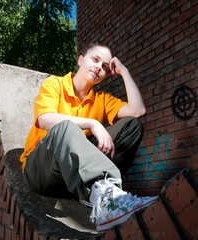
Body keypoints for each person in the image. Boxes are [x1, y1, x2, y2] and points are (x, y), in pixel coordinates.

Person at [19, 44, 157, 232]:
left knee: (132, 126)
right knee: (66, 127)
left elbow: (138, 110)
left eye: (106, 67)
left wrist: (123, 71)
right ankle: (107, 199)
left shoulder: (101, 99)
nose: (99, 67)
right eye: (95, 60)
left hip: (71, 181)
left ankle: (105, 196)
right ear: (81, 59)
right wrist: (93, 124)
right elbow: (45, 119)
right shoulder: (55, 84)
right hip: (42, 170)